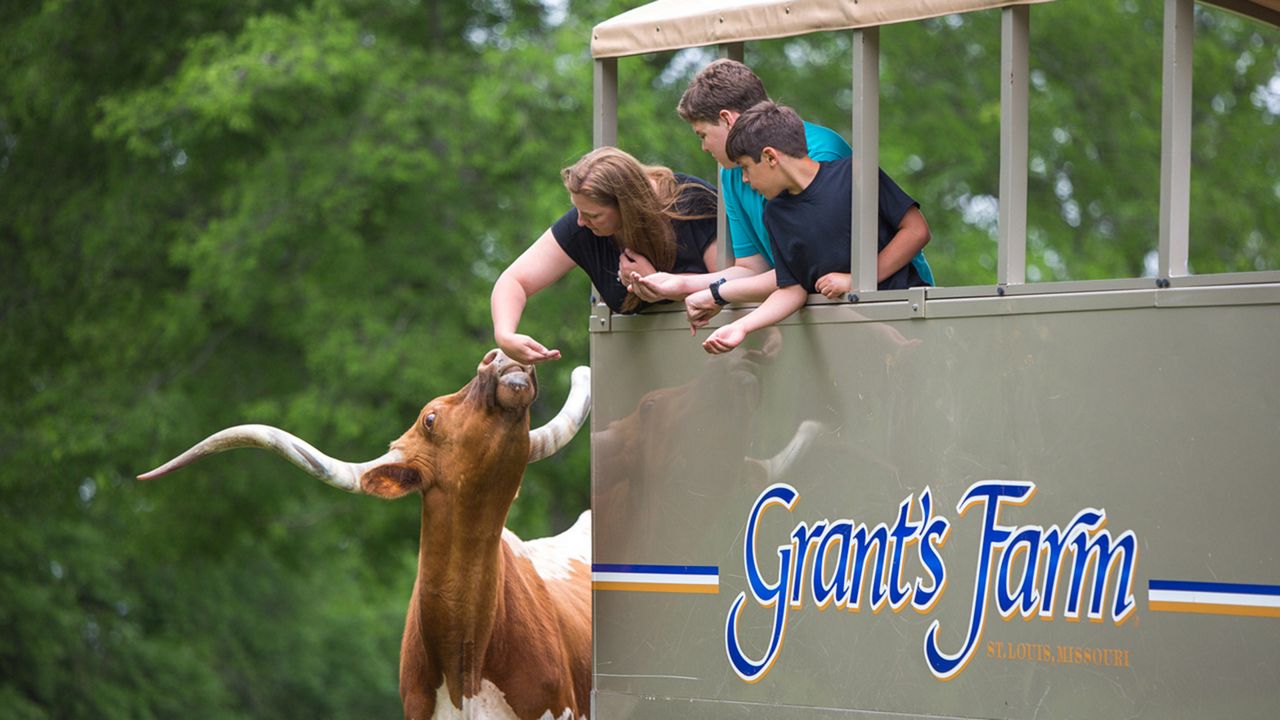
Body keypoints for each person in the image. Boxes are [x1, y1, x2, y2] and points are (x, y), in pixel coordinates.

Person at [649, 58, 933, 325]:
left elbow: (810, 272)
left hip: (890, 300)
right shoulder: (731, 173)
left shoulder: (818, 155)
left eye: (702, 135)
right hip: (823, 312)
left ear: (727, 119)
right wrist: (680, 284)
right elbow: (755, 267)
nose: (704, 147)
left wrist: (716, 293)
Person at [700, 102, 931, 355]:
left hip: (907, 317)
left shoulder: (854, 173)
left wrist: (857, 279)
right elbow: (792, 288)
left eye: (745, 167)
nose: (744, 179)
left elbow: (916, 230)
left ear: (770, 157)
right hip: (853, 343)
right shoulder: (775, 214)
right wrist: (741, 327)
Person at [491, 146, 719, 364]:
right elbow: (514, 281)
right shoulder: (584, 225)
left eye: (593, 215)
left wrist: (665, 285)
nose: (580, 221)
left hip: (715, 357)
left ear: (627, 206)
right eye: (578, 211)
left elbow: (734, 283)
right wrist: (505, 335)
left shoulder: (692, 202)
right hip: (640, 371)